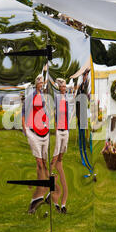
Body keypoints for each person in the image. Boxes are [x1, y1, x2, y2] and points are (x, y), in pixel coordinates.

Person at [22, 74, 50, 214]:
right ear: (36, 83)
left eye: (42, 82)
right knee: (39, 163)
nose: (41, 84)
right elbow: (23, 112)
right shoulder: (31, 96)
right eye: (39, 82)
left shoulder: (44, 97)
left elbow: (45, 112)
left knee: (44, 164)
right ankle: (37, 198)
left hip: (44, 133)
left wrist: (47, 124)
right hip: (33, 133)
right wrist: (26, 130)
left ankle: (46, 190)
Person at [50, 78, 69, 214]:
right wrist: (56, 127)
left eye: (66, 86)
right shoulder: (57, 97)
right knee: (56, 154)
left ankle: (58, 167)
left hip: (66, 129)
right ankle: (51, 172)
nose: (65, 88)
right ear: (60, 87)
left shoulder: (67, 98)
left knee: (62, 154)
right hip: (59, 129)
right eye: (63, 86)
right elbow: (55, 112)